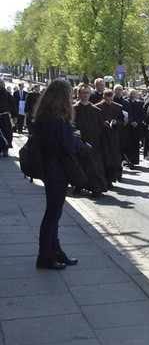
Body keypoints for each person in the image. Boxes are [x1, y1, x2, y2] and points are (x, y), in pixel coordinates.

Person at [34, 79, 80, 270]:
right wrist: (79, 142)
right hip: (57, 170)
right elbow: (68, 147)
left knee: (54, 213)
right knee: (53, 214)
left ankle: (55, 251)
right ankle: (45, 256)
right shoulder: (60, 120)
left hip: (48, 168)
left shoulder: (43, 116)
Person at [73, 84, 107, 196]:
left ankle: (95, 187)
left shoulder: (96, 110)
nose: (86, 95)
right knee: (79, 164)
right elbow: (70, 124)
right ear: (78, 94)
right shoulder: (74, 109)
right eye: (83, 93)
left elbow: (100, 125)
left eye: (88, 93)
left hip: (93, 142)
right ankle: (78, 185)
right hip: (78, 142)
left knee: (94, 165)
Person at [95, 90, 125, 189]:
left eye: (111, 100)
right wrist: (102, 123)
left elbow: (122, 120)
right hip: (102, 136)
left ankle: (111, 179)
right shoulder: (97, 107)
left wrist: (116, 122)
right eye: (107, 100)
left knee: (114, 160)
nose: (109, 102)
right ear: (103, 97)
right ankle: (103, 180)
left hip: (113, 136)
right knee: (103, 159)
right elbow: (95, 120)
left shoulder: (117, 107)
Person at [0, 78, 17, 157]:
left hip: (5, 116)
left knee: (7, 132)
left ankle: (5, 148)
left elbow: (12, 105)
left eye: (3, 83)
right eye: (1, 83)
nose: (2, 84)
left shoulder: (7, 93)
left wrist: (14, 116)